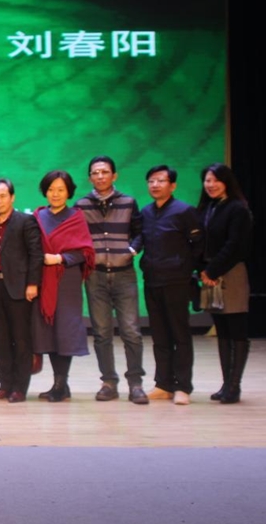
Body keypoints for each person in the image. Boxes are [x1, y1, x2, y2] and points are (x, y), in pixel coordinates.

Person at [74, 156, 147, 404]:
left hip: (124, 275)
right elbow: (77, 238)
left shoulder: (128, 202)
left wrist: (132, 250)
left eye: (105, 172)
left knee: (131, 331)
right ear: (89, 178)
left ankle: (135, 384)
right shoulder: (81, 205)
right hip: (95, 276)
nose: (100, 176)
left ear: (114, 175)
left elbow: (139, 233)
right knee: (102, 333)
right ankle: (108, 382)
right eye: (95, 173)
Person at [138, 165, 202, 405]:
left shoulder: (185, 211)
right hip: (152, 281)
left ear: (172, 185)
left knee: (180, 334)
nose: (155, 185)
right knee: (159, 335)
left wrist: (185, 269)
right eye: (151, 181)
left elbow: (198, 245)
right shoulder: (146, 212)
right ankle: (163, 384)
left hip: (177, 282)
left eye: (161, 181)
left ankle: (183, 386)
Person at [32, 170, 95, 403]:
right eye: (51, 189)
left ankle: (60, 384)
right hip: (43, 280)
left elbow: (86, 252)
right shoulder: (38, 216)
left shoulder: (76, 217)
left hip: (67, 280)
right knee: (48, 331)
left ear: (69, 192)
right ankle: (60, 385)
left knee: (65, 330)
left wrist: (60, 258)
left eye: (60, 189)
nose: (55, 194)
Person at [196, 163, 252, 404]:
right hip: (210, 275)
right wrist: (203, 270)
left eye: (215, 180)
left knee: (236, 328)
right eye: (207, 180)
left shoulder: (237, 208)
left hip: (231, 272)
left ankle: (234, 385)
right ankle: (225, 384)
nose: (211, 185)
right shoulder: (207, 208)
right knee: (222, 329)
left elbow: (235, 245)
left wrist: (212, 270)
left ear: (226, 181)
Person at [0, 179, 42, 403]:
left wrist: (32, 283)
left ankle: (19, 387)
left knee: (21, 339)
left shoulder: (25, 221)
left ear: (12, 197)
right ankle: (4, 385)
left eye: (2, 196)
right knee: (0, 339)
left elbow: (36, 254)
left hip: (19, 288)